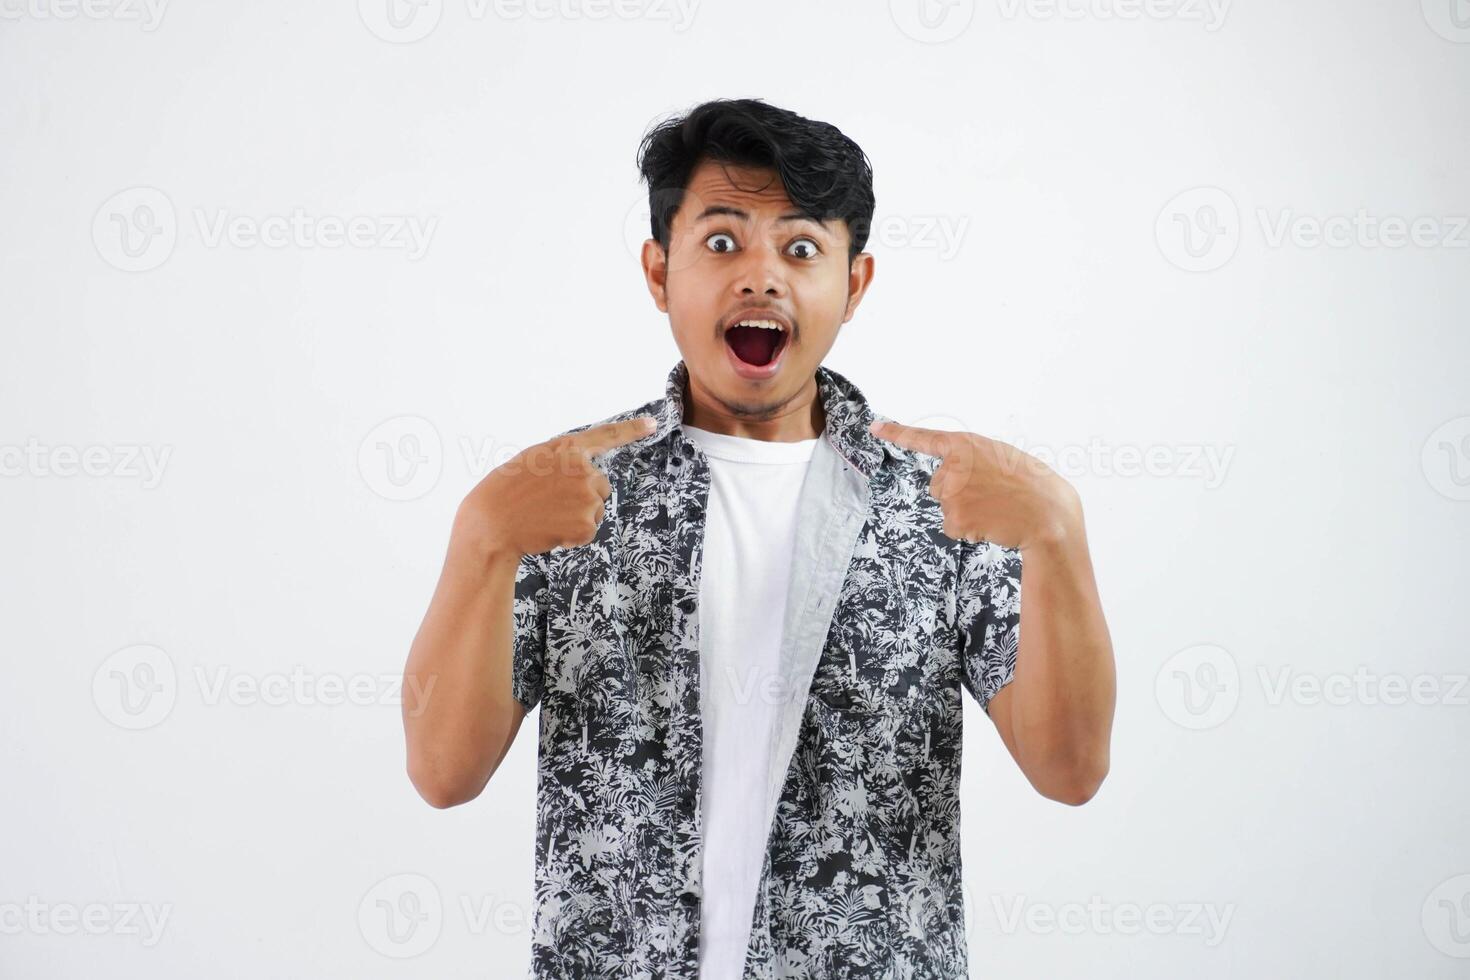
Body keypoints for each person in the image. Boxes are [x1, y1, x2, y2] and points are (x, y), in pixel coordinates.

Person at [401, 97, 1116, 979]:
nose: (762, 277)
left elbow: (1071, 770)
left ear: (854, 285)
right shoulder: (562, 498)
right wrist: (479, 539)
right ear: (660, 273)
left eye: (803, 247)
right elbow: (442, 774)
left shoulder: (946, 499)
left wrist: (1058, 536)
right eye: (723, 241)